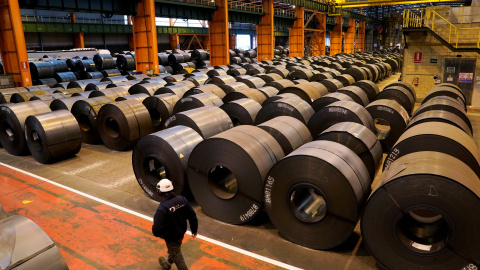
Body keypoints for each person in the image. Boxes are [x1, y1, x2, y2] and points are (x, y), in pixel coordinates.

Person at [152, 179, 198, 270]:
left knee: (178, 258)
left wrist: (161, 234)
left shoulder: (162, 208)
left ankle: (169, 263)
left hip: (171, 237)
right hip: (181, 232)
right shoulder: (182, 199)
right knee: (175, 250)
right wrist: (194, 230)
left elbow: (156, 229)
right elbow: (192, 215)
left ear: (160, 192)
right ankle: (167, 264)